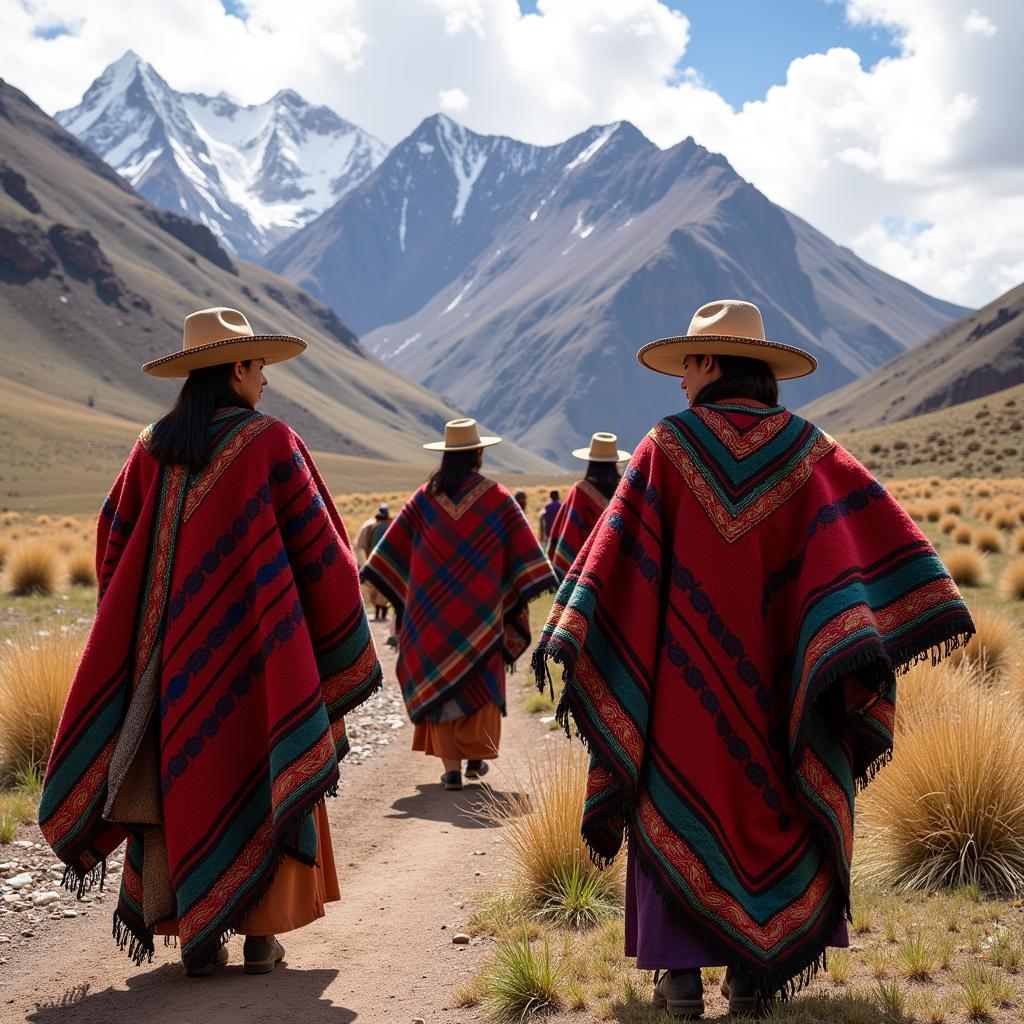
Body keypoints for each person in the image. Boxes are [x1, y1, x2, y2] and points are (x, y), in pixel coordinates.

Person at [533, 299, 974, 1017]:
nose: (680, 383)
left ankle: (679, 978)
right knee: (777, 801)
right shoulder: (809, 448)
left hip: (676, 695)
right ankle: (751, 978)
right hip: (786, 696)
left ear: (711, 364)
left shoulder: (666, 447)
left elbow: (613, 565)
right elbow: (877, 536)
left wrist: (579, 634)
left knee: (672, 792)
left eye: (688, 366)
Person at [38, 307, 382, 977]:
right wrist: (308, 629)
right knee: (264, 760)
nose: (264, 381)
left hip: (170, 669)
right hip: (263, 656)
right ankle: (261, 936)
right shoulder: (270, 442)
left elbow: (112, 543)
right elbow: (325, 554)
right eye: (258, 367)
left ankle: (200, 930)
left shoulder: (150, 447)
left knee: (184, 778)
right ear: (234, 368)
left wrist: (143, 627)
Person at [362, 418, 557, 791]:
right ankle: (476, 759)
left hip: (430, 620)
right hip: (481, 618)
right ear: (479, 454)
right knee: (481, 679)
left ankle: (451, 769)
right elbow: (527, 556)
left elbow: (387, 555)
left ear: (447, 456)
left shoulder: (423, 498)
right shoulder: (498, 498)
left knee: (440, 681)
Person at [546, 432, 630, 581]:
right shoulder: (625, 490)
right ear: (614, 461)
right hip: (620, 568)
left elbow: (569, 532)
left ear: (591, 461)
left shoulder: (581, 490)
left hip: (585, 572)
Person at [355, 503, 394, 620]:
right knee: (382, 587)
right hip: (385, 561)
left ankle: (380, 614)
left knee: (378, 587)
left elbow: (362, 544)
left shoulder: (372, 526)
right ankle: (381, 614)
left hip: (378, 561)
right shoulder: (389, 525)